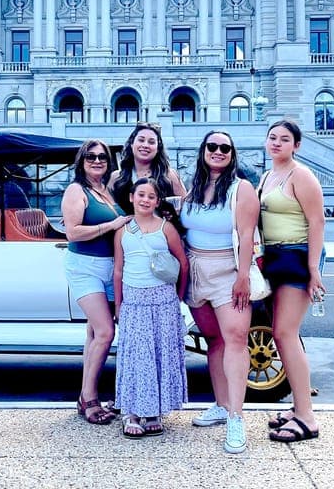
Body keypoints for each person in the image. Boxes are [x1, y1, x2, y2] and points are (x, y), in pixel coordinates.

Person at [180, 131, 259, 454]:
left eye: (225, 148)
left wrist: (242, 276)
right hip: (197, 270)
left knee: (237, 339)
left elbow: (246, 233)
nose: (218, 151)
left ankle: (237, 418)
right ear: (203, 151)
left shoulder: (241, 189)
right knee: (214, 340)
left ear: (232, 154)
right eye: (212, 146)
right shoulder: (193, 188)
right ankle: (221, 404)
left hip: (228, 270)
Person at [258, 120, 325, 443]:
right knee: (285, 336)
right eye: (272, 138)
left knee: (285, 333)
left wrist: (313, 268)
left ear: (296, 145)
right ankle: (299, 406)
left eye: (284, 139)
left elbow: (317, 221)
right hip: (272, 258)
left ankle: (307, 418)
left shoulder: (302, 175)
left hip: (297, 257)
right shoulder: (267, 176)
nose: (277, 143)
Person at [113, 178, 189, 439]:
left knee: (159, 354)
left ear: (158, 201)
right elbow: (118, 270)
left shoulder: (165, 228)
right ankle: (132, 411)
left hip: (163, 300)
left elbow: (182, 263)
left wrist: (178, 297)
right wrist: (119, 304)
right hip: (134, 299)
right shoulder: (122, 231)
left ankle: (154, 411)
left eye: (151, 196)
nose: (146, 200)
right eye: (141, 195)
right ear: (132, 197)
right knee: (136, 356)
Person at [61, 139, 131, 425]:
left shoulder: (106, 189)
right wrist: (110, 225)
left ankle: (84, 395)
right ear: (82, 160)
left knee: (93, 335)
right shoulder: (76, 190)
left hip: (109, 268)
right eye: (91, 156)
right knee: (105, 332)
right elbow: (72, 232)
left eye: (103, 156)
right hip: (84, 267)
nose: (98, 160)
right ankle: (89, 398)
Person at [108, 122, 187, 216]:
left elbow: (185, 207)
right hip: (126, 230)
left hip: (162, 229)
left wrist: (174, 214)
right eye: (141, 140)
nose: (145, 145)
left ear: (158, 148)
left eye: (151, 142)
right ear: (132, 144)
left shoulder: (169, 175)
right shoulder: (116, 177)